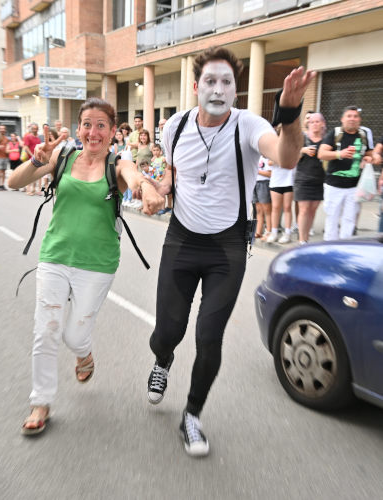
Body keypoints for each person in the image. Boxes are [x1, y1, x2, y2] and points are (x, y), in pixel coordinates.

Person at [140, 46, 314, 457]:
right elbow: (174, 174)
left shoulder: (249, 125)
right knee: (167, 332)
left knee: (208, 337)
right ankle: (162, 361)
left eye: (227, 83)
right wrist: (161, 188)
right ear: (196, 86)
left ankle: (192, 415)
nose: (218, 90)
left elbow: (288, 156)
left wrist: (289, 111)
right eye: (211, 82)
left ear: (236, 91)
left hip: (227, 249)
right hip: (181, 241)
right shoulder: (175, 127)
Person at [8, 97, 162, 436]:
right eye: (87, 125)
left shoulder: (116, 163)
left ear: (112, 132)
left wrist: (147, 191)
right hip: (55, 256)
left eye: (101, 125)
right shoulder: (61, 157)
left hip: (98, 263)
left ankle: (84, 353)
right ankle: (41, 401)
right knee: (45, 329)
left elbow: (134, 177)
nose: (93, 132)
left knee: (75, 334)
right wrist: (37, 158)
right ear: (78, 129)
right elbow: (14, 182)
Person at [318, 106, 373, 240]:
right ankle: (330, 248)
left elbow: (369, 153)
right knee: (332, 219)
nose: (352, 119)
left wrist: (369, 158)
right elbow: (321, 153)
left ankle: (345, 247)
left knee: (350, 220)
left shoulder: (363, 135)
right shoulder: (335, 133)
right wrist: (339, 154)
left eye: (355, 116)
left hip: (354, 187)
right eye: (349, 116)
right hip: (334, 186)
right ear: (342, 119)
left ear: (359, 120)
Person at [294, 112, 326, 244]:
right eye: (312, 122)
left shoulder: (327, 139)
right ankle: (302, 240)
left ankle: (307, 236)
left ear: (323, 124)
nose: (314, 124)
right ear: (308, 124)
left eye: (317, 121)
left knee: (312, 210)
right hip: (303, 179)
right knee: (304, 209)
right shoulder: (302, 138)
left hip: (320, 180)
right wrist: (303, 150)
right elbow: (292, 157)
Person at [266, 127, 296, 244]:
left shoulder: (293, 145)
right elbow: (270, 162)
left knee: (288, 207)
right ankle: (274, 232)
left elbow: (294, 160)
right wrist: (283, 159)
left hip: (289, 181)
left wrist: (281, 160)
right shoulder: (273, 146)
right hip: (276, 181)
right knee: (276, 207)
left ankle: (287, 233)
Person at [253, 155, 272, 240]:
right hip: (255, 182)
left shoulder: (267, 157)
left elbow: (270, 173)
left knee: (267, 209)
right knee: (258, 210)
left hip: (264, 183)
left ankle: (269, 231)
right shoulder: (257, 156)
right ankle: (258, 231)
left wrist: (256, 171)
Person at [23, 123, 41, 195]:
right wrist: (31, 155)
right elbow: (26, 147)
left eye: (36, 128)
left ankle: (33, 189)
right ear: (31, 129)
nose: (35, 130)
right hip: (30, 158)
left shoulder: (38, 137)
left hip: (37, 158)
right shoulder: (28, 137)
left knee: (35, 174)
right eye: (33, 128)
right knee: (29, 174)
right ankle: (28, 189)